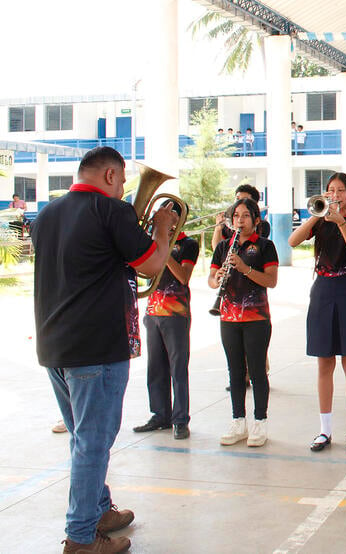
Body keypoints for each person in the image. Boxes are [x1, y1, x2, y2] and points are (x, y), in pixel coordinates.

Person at [34, 146, 175, 552]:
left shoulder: (47, 214)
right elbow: (150, 265)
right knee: (93, 443)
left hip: (55, 346)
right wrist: (163, 227)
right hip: (96, 347)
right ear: (111, 177)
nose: (127, 187)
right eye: (125, 179)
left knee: (83, 438)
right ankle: (80, 538)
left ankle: (98, 509)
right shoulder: (112, 211)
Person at [288, 173, 346, 453]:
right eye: (330, 190)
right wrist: (317, 214)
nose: (335, 194)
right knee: (324, 363)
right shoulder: (320, 219)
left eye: (340, 190)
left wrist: (341, 222)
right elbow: (292, 241)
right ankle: (324, 430)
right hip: (323, 289)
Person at [209, 198, 279, 448]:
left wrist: (244, 268)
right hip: (228, 317)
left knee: (257, 371)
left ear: (256, 220)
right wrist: (217, 278)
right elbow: (210, 279)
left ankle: (260, 422)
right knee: (234, 372)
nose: (239, 220)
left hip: (256, 318)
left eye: (245, 216)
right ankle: (238, 421)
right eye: (236, 215)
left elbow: (271, 281)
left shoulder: (265, 246)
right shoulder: (223, 247)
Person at [133, 202, 198, 440]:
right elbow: (145, 271)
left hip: (176, 314)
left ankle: (180, 419)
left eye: (167, 214)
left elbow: (183, 277)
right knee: (155, 368)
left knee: (178, 368)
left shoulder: (188, 244)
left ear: (177, 219)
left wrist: (165, 248)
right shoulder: (152, 240)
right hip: (153, 311)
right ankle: (160, 414)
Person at [212, 184, 271, 250]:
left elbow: (256, 252)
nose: (239, 203)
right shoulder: (228, 225)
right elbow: (217, 250)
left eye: (244, 200)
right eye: (237, 199)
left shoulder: (263, 226)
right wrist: (218, 229)